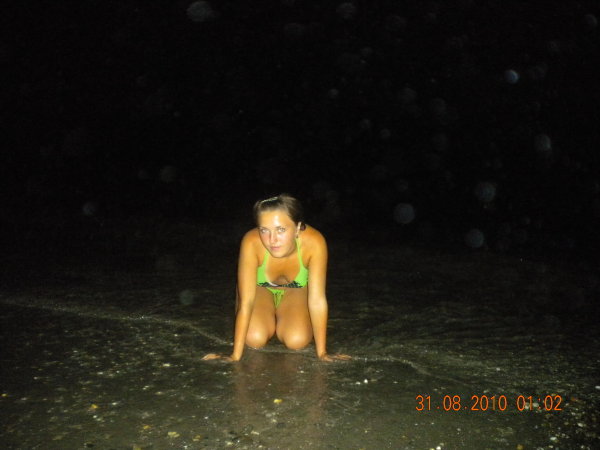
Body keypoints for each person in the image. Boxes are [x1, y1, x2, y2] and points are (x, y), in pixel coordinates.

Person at [203, 193, 350, 362]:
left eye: (281, 230)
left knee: (297, 341)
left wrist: (322, 352)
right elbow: (246, 302)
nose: (272, 240)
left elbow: (317, 300)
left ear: (297, 227)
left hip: (295, 292)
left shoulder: (314, 242)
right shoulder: (251, 242)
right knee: (254, 338)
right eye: (264, 230)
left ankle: (284, 317)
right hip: (260, 291)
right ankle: (266, 317)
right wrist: (235, 355)